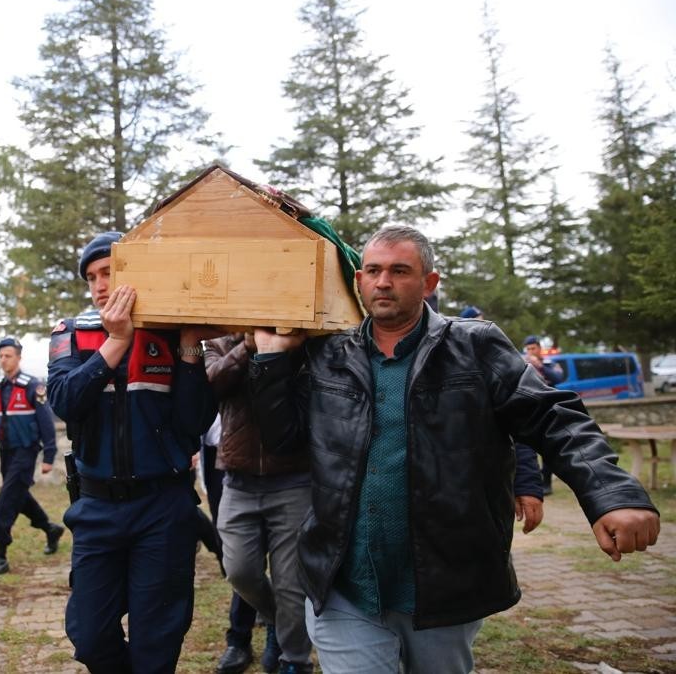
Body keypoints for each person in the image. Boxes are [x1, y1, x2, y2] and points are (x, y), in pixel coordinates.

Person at [250, 225, 660, 674]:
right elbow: (285, 440)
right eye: (373, 271)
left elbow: (552, 416)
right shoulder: (329, 354)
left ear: (429, 283)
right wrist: (270, 359)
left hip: (444, 584)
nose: (383, 282)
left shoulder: (473, 345)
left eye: (399, 271)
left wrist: (613, 494)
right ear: (359, 281)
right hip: (344, 586)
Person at [48, 231, 218, 673]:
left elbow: (193, 423)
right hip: (96, 508)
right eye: (91, 277)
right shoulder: (71, 333)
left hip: (163, 508)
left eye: (109, 272)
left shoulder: (170, 333)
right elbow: (64, 400)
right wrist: (117, 341)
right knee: (90, 637)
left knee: (155, 644)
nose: (100, 285)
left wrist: (190, 349)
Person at [206, 332, 313, 674]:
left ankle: (295, 660)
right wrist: (247, 348)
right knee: (239, 571)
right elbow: (209, 385)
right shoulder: (221, 342)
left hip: (294, 479)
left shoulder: (306, 341)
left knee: (291, 583)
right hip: (239, 480)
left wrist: (285, 349)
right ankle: (277, 621)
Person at [0, 336, 64, 578]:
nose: (3, 360)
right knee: (19, 497)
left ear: (18, 358)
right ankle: (50, 529)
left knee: (6, 501)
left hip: (26, 452)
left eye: (8, 356)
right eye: (0, 356)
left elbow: (46, 423)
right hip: (6, 452)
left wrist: (49, 455)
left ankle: (0, 555)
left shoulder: (33, 387)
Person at [459, 309, 544, 528]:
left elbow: (519, 422)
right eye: (474, 322)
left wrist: (527, 484)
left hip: (480, 498)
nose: (478, 329)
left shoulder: (494, 359)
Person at [199, 413, 264, 674]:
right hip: (219, 452)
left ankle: (243, 635)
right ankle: (258, 621)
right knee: (235, 555)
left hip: (271, 449)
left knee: (279, 551)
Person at [522, 334, 564, 494]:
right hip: (529, 410)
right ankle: (532, 483)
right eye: (528, 349)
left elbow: (558, 377)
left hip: (548, 409)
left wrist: (540, 365)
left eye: (533, 348)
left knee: (548, 446)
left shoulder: (550, 363)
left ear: (539, 348)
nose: (531, 351)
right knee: (528, 448)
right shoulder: (522, 363)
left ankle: (547, 482)